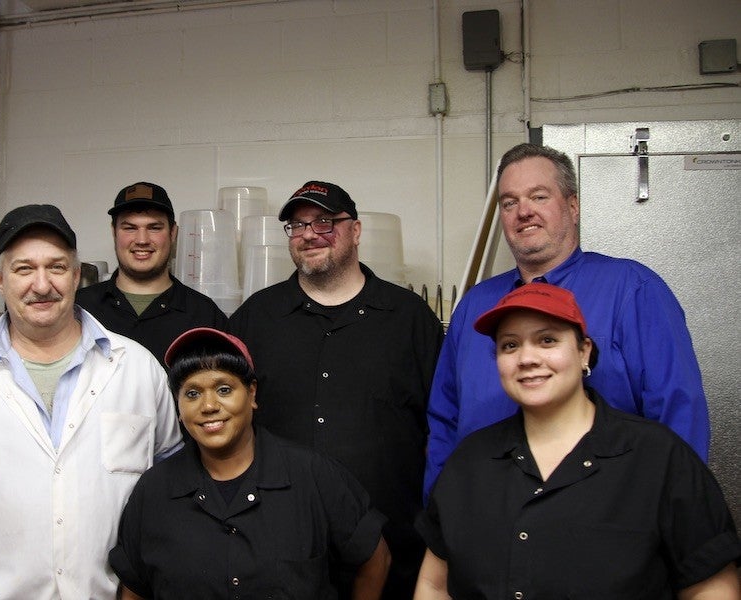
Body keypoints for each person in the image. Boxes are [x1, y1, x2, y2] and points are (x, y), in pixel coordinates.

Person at [0, 204, 184, 600]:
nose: (42, 285)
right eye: (24, 269)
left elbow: (170, 491)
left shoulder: (138, 369)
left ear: (77, 276)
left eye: (57, 268)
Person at [415, 282, 741, 600]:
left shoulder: (659, 457)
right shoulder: (469, 462)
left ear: (584, 351)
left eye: (547, 340)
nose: (527, 358)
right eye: (510, 345)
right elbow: (434, 586)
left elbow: (711, 586)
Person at [423, 142, 710, 501]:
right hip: (486, 518)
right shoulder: (475, 306)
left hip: (605, 517)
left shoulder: (632, 289)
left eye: (539, 197)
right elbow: (445, 419)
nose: (523, 211)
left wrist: (676, 520)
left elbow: (678, 411)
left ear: (572, 206)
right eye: (509, 203)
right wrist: (441, 514)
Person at [228, 181, 443, 599]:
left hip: (394, 548)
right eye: (297, 225)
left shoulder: (409, 318)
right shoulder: (256, 318)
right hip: (281, 549)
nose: (309, 234)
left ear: (356, 230)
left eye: (324, 222)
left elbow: (442, 424)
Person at [109, 327, 391, 599]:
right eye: (192, 393)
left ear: (252, 393)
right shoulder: (154, 491)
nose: (208, 406)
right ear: (178, 407)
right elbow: (135, 588)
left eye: (224, 389)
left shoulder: (313, 476)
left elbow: (376, 559)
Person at [76, 181, 228, 366]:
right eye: (130, 228)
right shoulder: (78, 309)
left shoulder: (205, 316)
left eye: (154, 228)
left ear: (173, 233)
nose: (142, 240)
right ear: (114, 232)